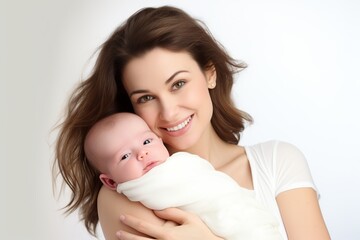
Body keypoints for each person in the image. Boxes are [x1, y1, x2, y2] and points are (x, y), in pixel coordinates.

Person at [53, 5, 330, 240]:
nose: (169, 112)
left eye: (178, 84)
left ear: (210, 74)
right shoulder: (125, 193)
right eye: (146, 97)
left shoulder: (277, 162)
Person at [84, 112, 283, 240]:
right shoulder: (127, 192)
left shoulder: (185, 164)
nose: (142, 154)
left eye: (146, 142)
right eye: (125, 156)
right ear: (110, 181)